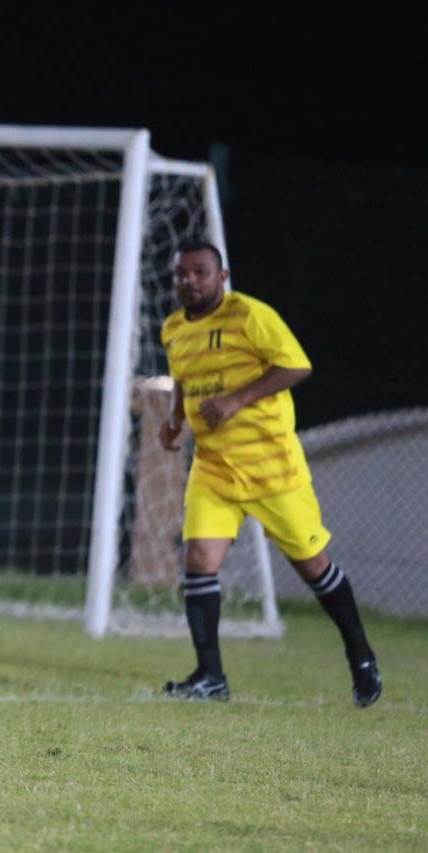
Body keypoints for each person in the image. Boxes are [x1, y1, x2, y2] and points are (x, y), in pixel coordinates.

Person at [159, 239, 380, 707]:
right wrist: (175, 418)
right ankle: (210, 676)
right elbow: (183, 377)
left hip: (271, 465)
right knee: (199, 558)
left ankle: (361, 657)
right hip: (214, 467)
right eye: (182, 274)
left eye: (200, 272)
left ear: (221, 277)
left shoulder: (249, 315)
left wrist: (237, 399)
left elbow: (296, 366)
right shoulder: (174, 328)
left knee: (313, 566)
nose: (189, 281)